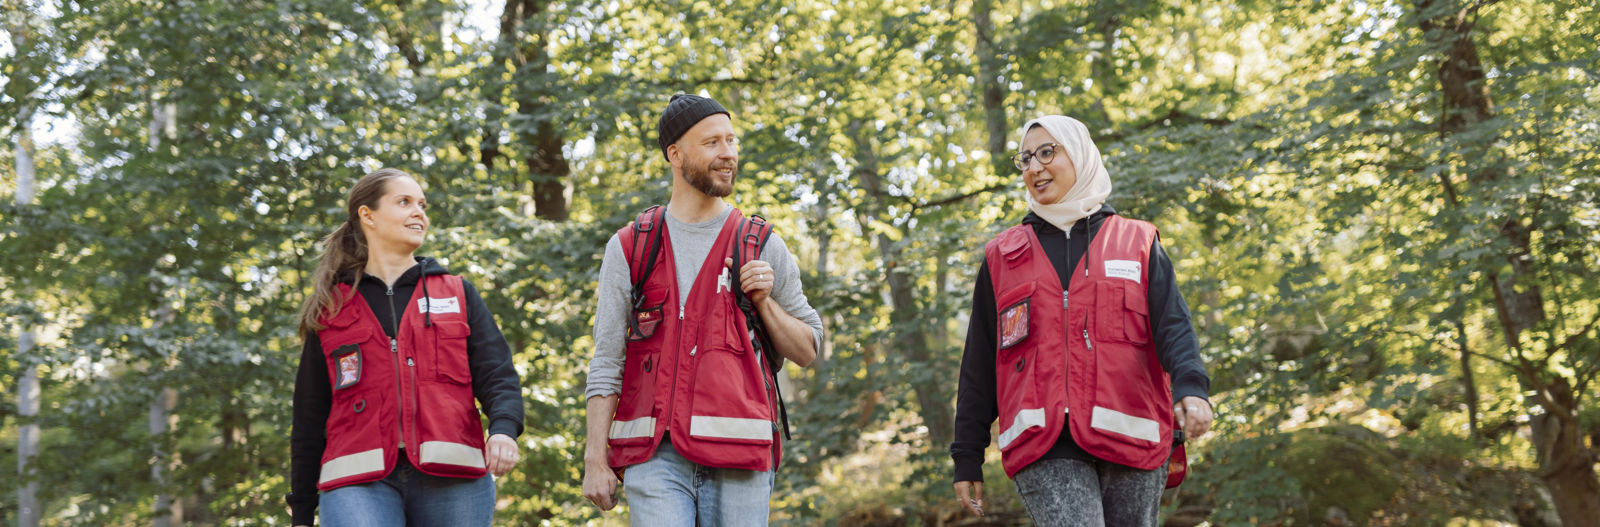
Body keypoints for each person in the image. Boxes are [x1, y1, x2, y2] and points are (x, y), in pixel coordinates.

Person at [950, 116, 1213, 526]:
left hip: (1135, 434)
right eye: (1025, 158)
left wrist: (1192, 388)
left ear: (1081, 155)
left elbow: (1173, 325)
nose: (1034, 167)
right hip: (1044, 443)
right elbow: (980, 363)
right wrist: (966, 454)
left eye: (1047, 152)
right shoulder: (1001, 257)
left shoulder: (1138, 242)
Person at [580, 93, 825, 525]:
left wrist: (764, 304)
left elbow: (807, 350)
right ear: (675, 154)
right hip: (655, 456)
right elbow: (607, 360)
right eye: (712, 143)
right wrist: (595, 460)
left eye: (731, 141)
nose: (727, 153)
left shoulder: (761, 244)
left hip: (741, 457)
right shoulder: (631, 248)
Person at [287, 168, 524, 526]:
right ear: (368, 216)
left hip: (454, 477)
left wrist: (503, 429)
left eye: (422, 204)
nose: (419, 213)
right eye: (404, 202)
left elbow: (497, 374)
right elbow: (308, 415)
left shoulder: (458, 293)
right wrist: (302, 511)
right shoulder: (332, 308)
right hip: (357, 483)